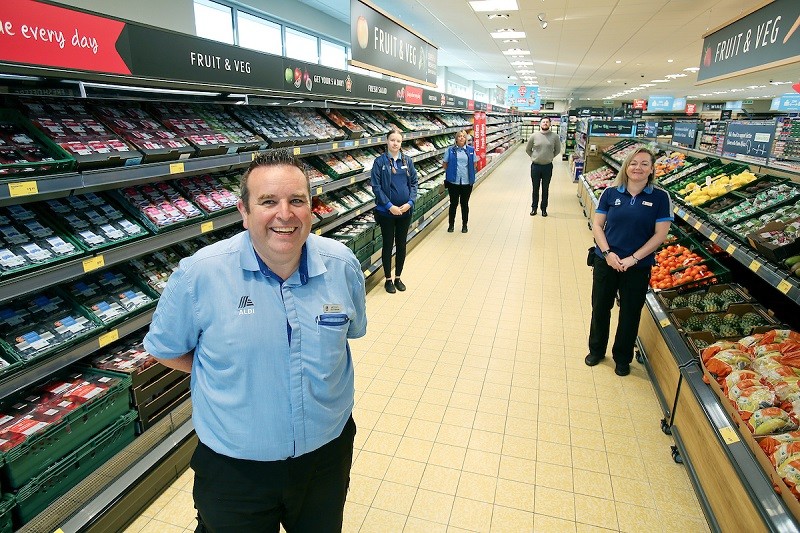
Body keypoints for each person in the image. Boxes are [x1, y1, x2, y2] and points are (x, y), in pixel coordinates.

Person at [143, 150, 367, 533]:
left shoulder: (342, 266)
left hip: (324, 460)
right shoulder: (200, 276)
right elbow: (165, 348)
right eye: (268, 201)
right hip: (235, 471)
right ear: (243, 212)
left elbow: (350, 333)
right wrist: (220, 369)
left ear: (312, 207)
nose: (285, 214)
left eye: (297, 200)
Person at [585, 147, 672, 376]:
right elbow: (597, 226)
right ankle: (596, 350)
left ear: (652, 169)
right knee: (600, 307)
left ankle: (622, 357)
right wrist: (607, 254)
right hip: (607, 261)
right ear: (626, 167)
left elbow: (660, 235)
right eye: (633, 163)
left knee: (630, 313)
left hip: (638, 266)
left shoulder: (661, 198)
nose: (638, 168)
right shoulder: (610, 193)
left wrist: (633, 259)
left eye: (644, 164)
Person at [370, 127, 418, 294]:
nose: (395, 143)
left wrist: (410, 202)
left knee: (402, 244)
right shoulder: (379, 162)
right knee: (388, 244)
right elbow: (376, 187)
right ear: (387, 141)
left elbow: (414, 183)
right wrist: (389, 206)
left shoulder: (407, 161)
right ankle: (388, 279)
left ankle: (398, 277)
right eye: (392, 140)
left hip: (405, 211)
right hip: (386, 212)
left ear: (401, 143)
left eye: (398, 141)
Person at [524, 117, 562, 217]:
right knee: (535, 188)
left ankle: (544, 209)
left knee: (545, 188)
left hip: (547, 167)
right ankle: (534, 208)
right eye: (543, 122)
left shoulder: (554, 136)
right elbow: (528, 149)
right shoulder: (534, 136)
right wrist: (534, 156)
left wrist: (549, 157)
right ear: (540, 124)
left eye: (547, 122)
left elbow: (557, 150)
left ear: (550, 124)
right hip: (535, 167)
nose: (545, 123)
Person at [442, 130, 476, 233]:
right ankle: (451, 225)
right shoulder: (450, 150)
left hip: (466, 182)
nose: (461, 138)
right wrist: (451, 171)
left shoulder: (471, 150)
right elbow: (445, 164)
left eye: (463, 136)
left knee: (464, 204)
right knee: (453, 204)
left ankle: (464, 225)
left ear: (466, 139)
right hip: (453, 182)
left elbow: (474, 164)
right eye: (459, 136)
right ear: (456, 139)